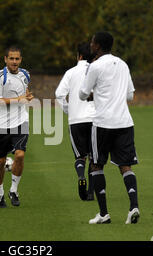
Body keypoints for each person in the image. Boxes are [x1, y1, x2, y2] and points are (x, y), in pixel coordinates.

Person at [79, 32, 140, 224]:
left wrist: (93, 95)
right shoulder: (123, 64)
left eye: (92, 42)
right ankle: (133, 207)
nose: (90, 45)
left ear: (97, 46)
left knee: (97, 165)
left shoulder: (95, 66)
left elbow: (82, 94)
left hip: (103, 123)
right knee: (125, 166)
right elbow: (130, 95)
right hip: (124, 122)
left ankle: (104, 214)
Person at [0, 46, 34, 208]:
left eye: (17, 59)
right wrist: (20, 99)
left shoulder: (26, 74)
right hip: (1, 124)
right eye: (11, 59)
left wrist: (27, 97)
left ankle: (13, 190)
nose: (14, 62)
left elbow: (25, 92)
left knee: (20, 155)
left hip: (21, 121)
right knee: (0, 161)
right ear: (5, 59)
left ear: (20, 60)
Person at [55, 42, 96, 201]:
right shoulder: (97, 70)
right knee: (95, 158)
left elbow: (59, 94)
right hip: (95, 119)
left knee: (80, 156)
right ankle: (92, 192)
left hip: (76, 119)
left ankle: (81, 176)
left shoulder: (71, 72)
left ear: (78, 55)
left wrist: (67, 109)